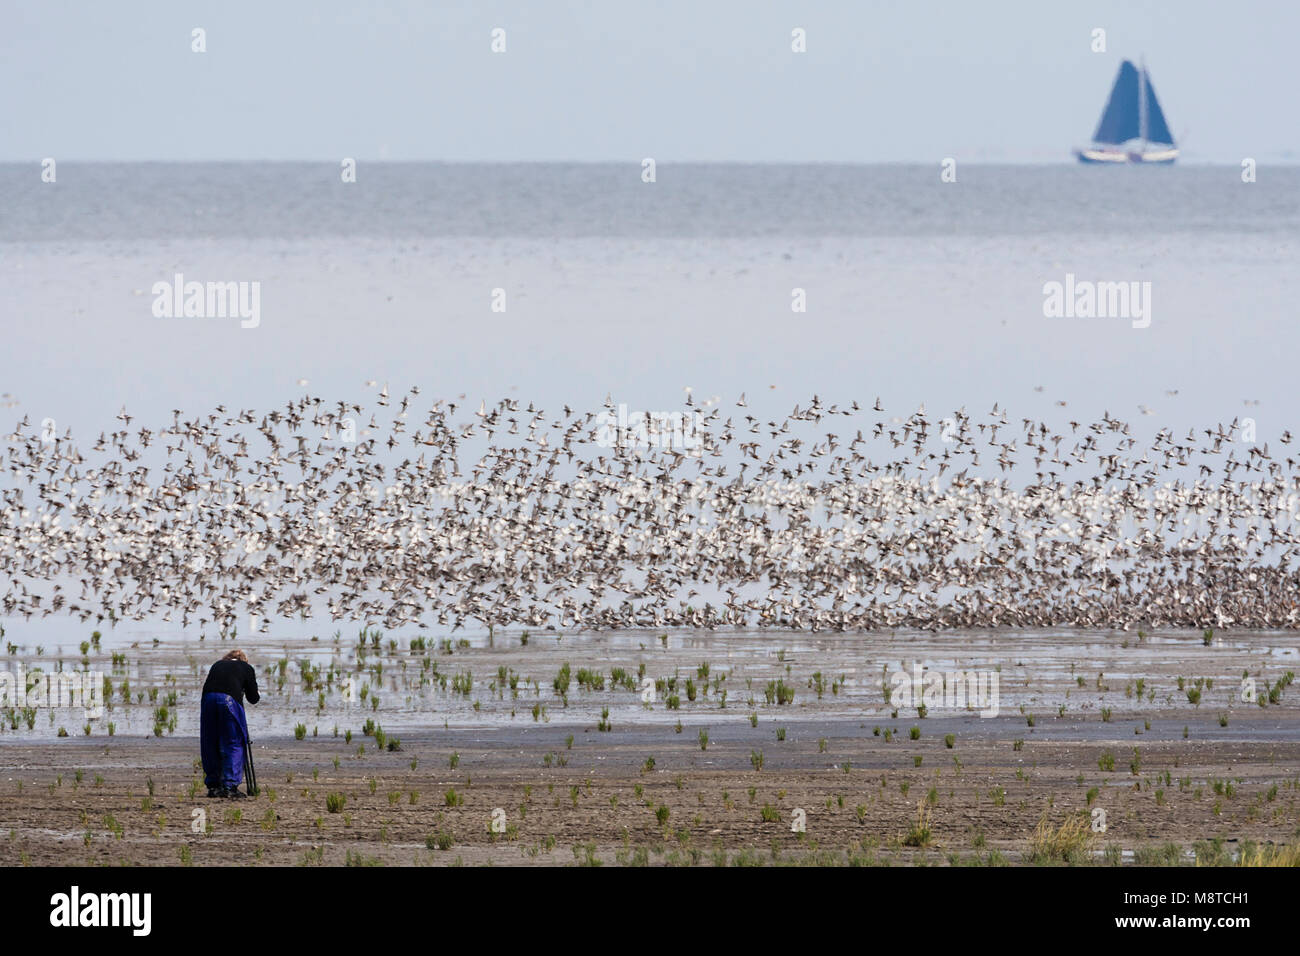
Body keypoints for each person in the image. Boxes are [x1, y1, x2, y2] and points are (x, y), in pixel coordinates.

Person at [200, 649, 260, 798]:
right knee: (234, 742)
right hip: (229, 701)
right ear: (244, 660)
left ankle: (213, 785)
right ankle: (229, 786)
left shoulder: (217, 664)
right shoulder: (246, 668)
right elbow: (254, 698)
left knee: (210, 742)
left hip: (208, 700)